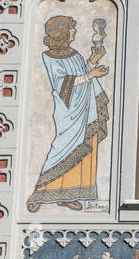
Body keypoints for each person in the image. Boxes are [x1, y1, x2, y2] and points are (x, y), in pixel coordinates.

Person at [27, 15, 109, 211]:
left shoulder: (74, 54)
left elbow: (81, 72)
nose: (74, 31)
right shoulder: (49, 57)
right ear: (62, 32)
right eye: (71, 28)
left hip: (85, 108)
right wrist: (91, 75)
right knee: (61, 147)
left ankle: (69, 194)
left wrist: (92, 61)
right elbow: (62, 83)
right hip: (68, 111)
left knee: (85, 148)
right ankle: (40, 191)